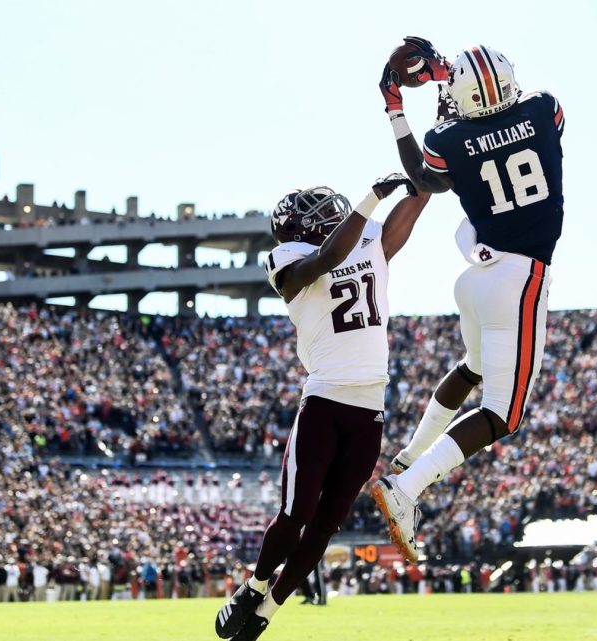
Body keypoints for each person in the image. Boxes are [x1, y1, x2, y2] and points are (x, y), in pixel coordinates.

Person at [371, 38, 565, 563]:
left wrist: (396, 110)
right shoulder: (544, 108)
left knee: (473, 367)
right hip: (521, 275)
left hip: (476, 279)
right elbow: (504, 120)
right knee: (504, 415)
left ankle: (411, 452)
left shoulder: (447, 138)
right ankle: (407, 487)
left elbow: (426, 176)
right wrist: (450, 81)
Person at [213, 174, 429, 641]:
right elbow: (329, 257)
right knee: (297, 513)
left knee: (326, 525)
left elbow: (401, 224)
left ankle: (270, 607)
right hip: (325, 401)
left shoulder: (365, 242)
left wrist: (428, 178)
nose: (326, 211)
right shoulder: (288, 260)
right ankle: (253, 586)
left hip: (370, 407)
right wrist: (371, 198)